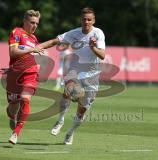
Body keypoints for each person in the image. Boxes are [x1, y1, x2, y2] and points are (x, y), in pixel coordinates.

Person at [39, 7, 105, 145]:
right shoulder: (73, 33)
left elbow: (102, 55)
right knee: (67, 91)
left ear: (93, 21)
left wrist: (93, 47)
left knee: (82, 110)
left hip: (92, 76)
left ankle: (70, 132)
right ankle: (60, 120)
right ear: (80, 20)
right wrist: (37, 47)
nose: (86, 21)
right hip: (75, 71)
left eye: (89, 19)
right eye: (84, 19)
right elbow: (54, 41)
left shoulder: (98, 33)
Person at [5, 9, 43, 145]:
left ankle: (16, 133)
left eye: (37, 23)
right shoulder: (17, 33)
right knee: (13, 106)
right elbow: (13, 52)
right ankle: (11, 116)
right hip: (15, 75)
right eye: (32, 22)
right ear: (25, 21)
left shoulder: (34, 39)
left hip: (30, 74)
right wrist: (31, 49)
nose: (35, 26)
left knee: (25, 100)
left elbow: (31, 56)